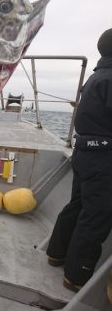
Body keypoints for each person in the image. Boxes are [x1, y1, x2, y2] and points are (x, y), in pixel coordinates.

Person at [46, 28, 112, 292]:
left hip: (85, 152)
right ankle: (76, 276)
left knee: (77, 205)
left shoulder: (97, 78)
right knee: (96, 216)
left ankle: (56, 253)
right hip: (105, 158)